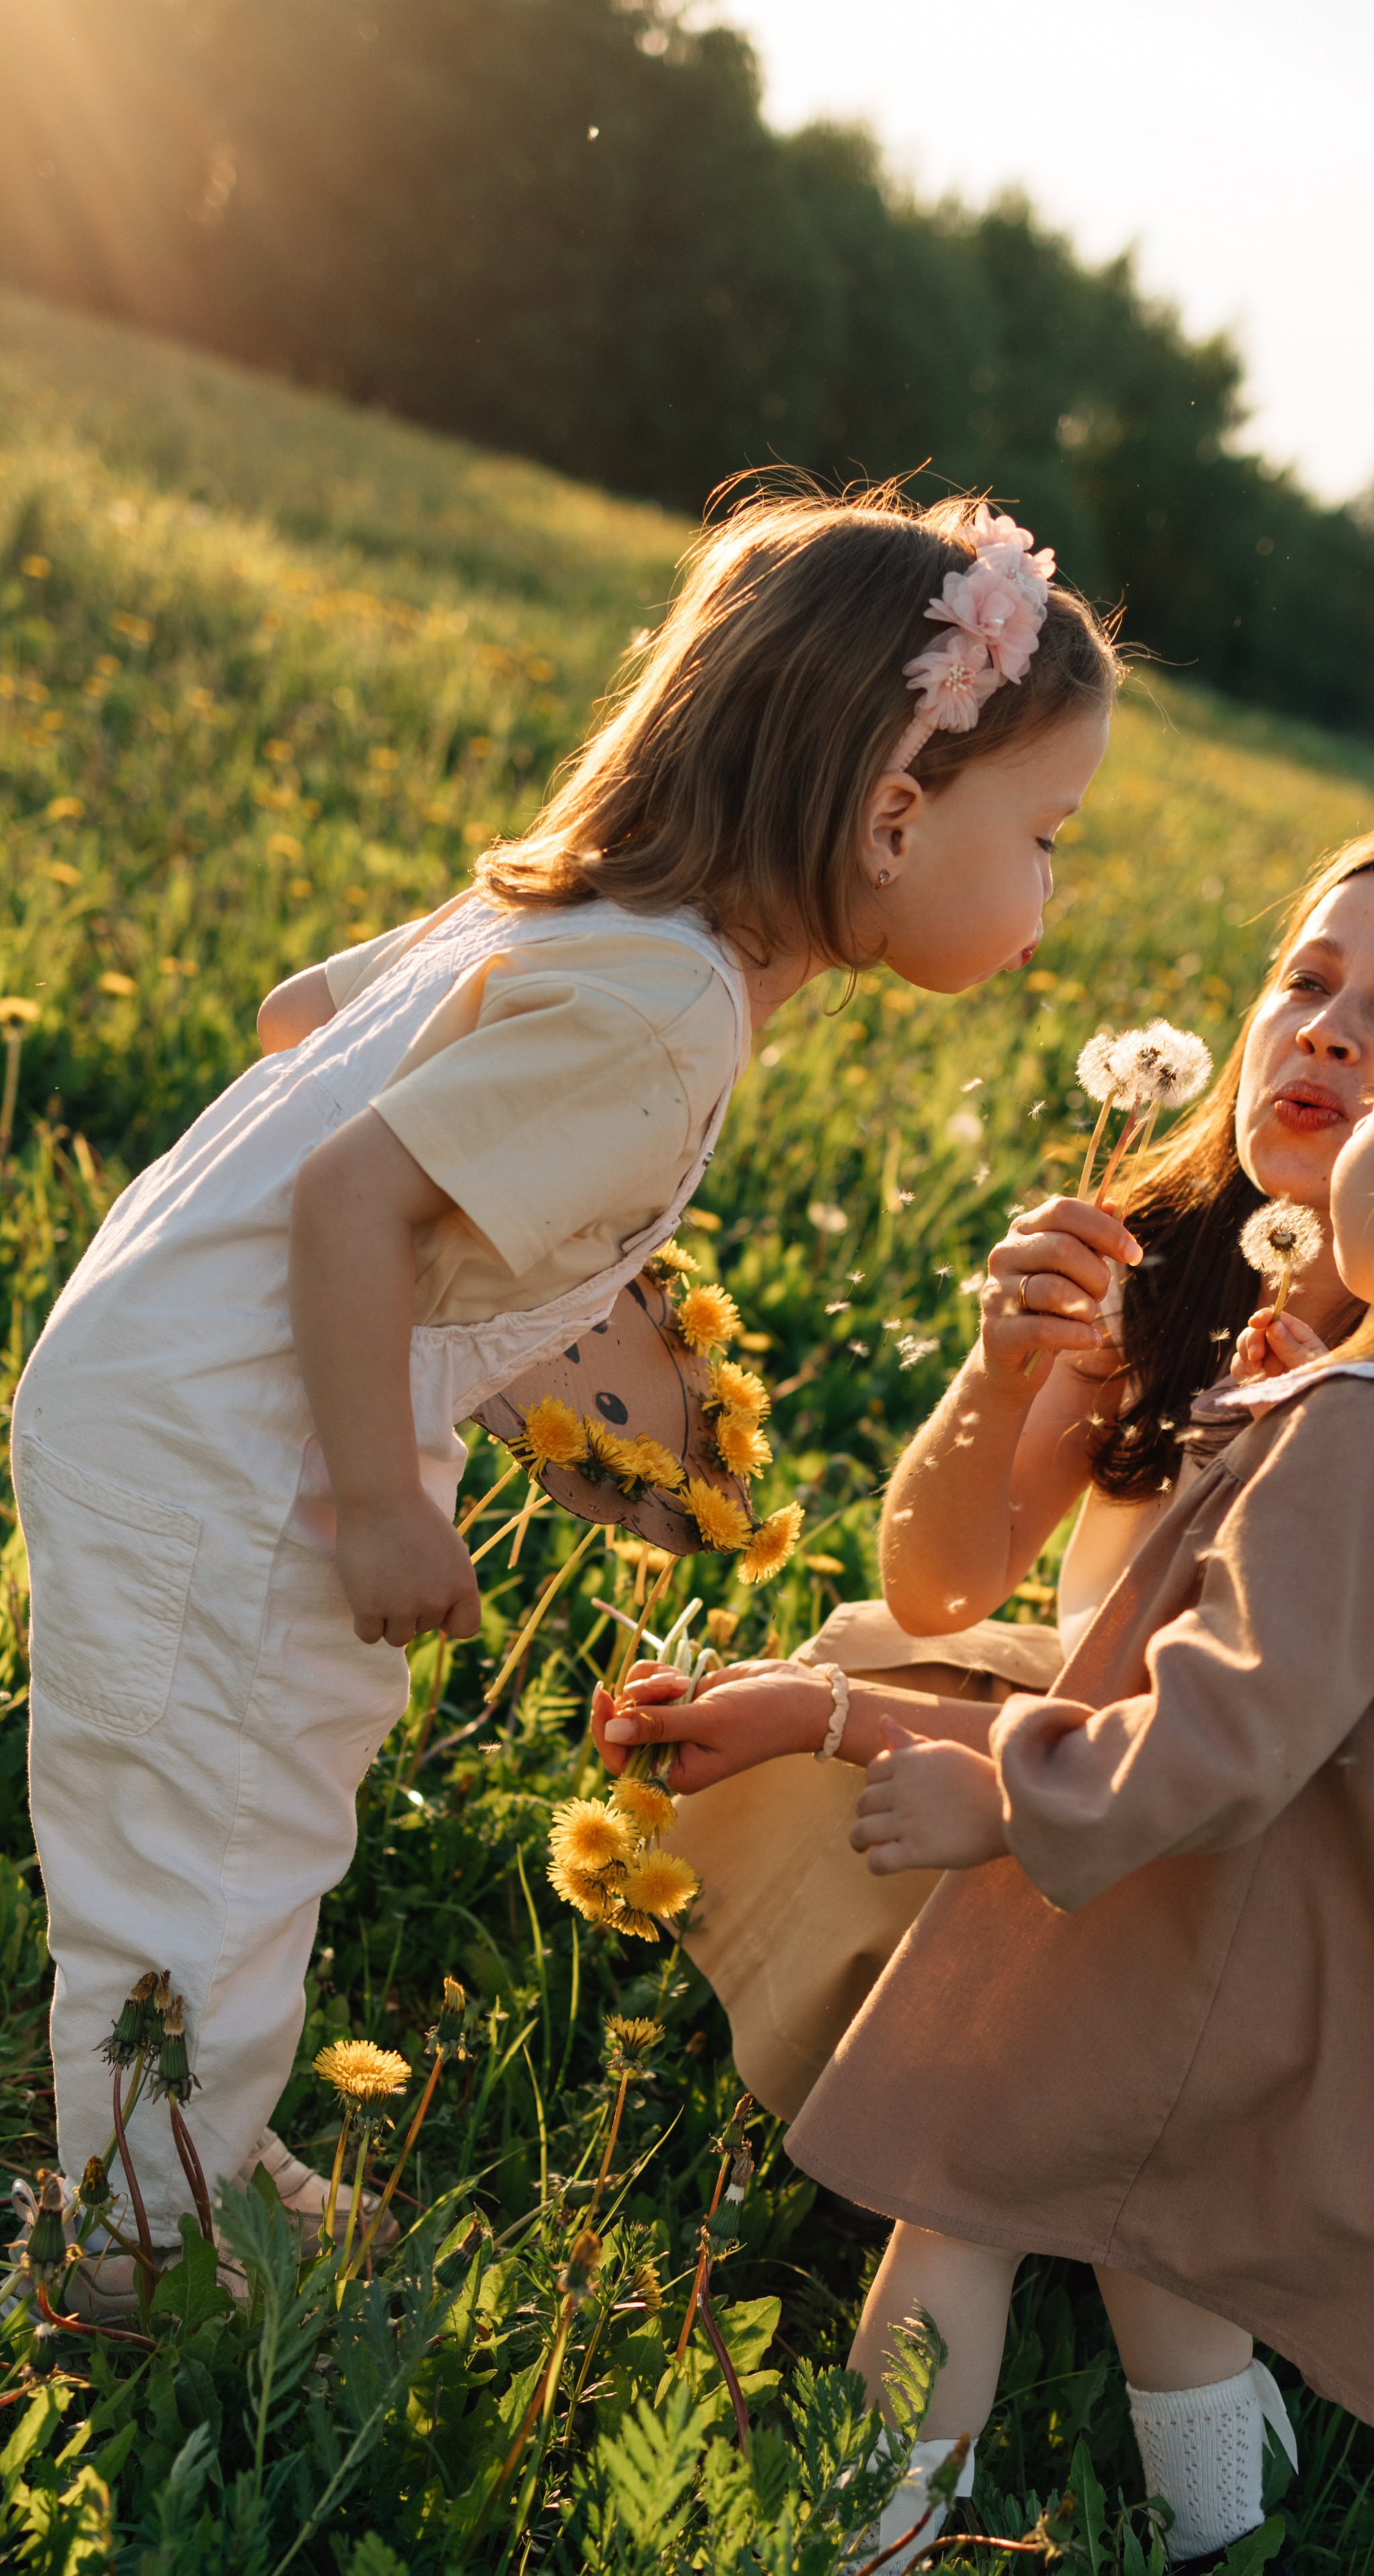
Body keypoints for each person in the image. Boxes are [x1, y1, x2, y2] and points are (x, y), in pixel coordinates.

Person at [12, 487, 1119, 2306]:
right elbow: (357, 1194)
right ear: (893, 812)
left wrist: (534, 1271)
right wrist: (386, 1495)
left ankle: (191, 2138)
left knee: (225, 1793)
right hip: (244, 1447)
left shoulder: (587, 915)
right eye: (1048, 834)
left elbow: (307, 1021)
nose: (1050, 887)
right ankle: (138, 2255)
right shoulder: (668, 1008)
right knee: (206, 1830)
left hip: (163, 1386)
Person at [777, 912, 1374, 2569]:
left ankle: (869, 2530)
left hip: (1178, 1914)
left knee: (957, 2187)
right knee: (1169, 2242)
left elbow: (1229, 1718)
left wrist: (996, 1790)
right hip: (1340, 1959)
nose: (1351, 1130)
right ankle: (1216, 2533)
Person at [623, 826, 1374, 2107]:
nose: (1329, 1031)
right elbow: (943, 1587)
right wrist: (996, 1379)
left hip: (1309, 1855)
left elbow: (1231, 1771)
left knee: (842, 1723)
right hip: (1126, 1744)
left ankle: (1039, 2135)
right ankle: (964, 2093)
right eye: (1307, 979)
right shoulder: (1156, 1263)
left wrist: (827, 1719)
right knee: (870, 1678)